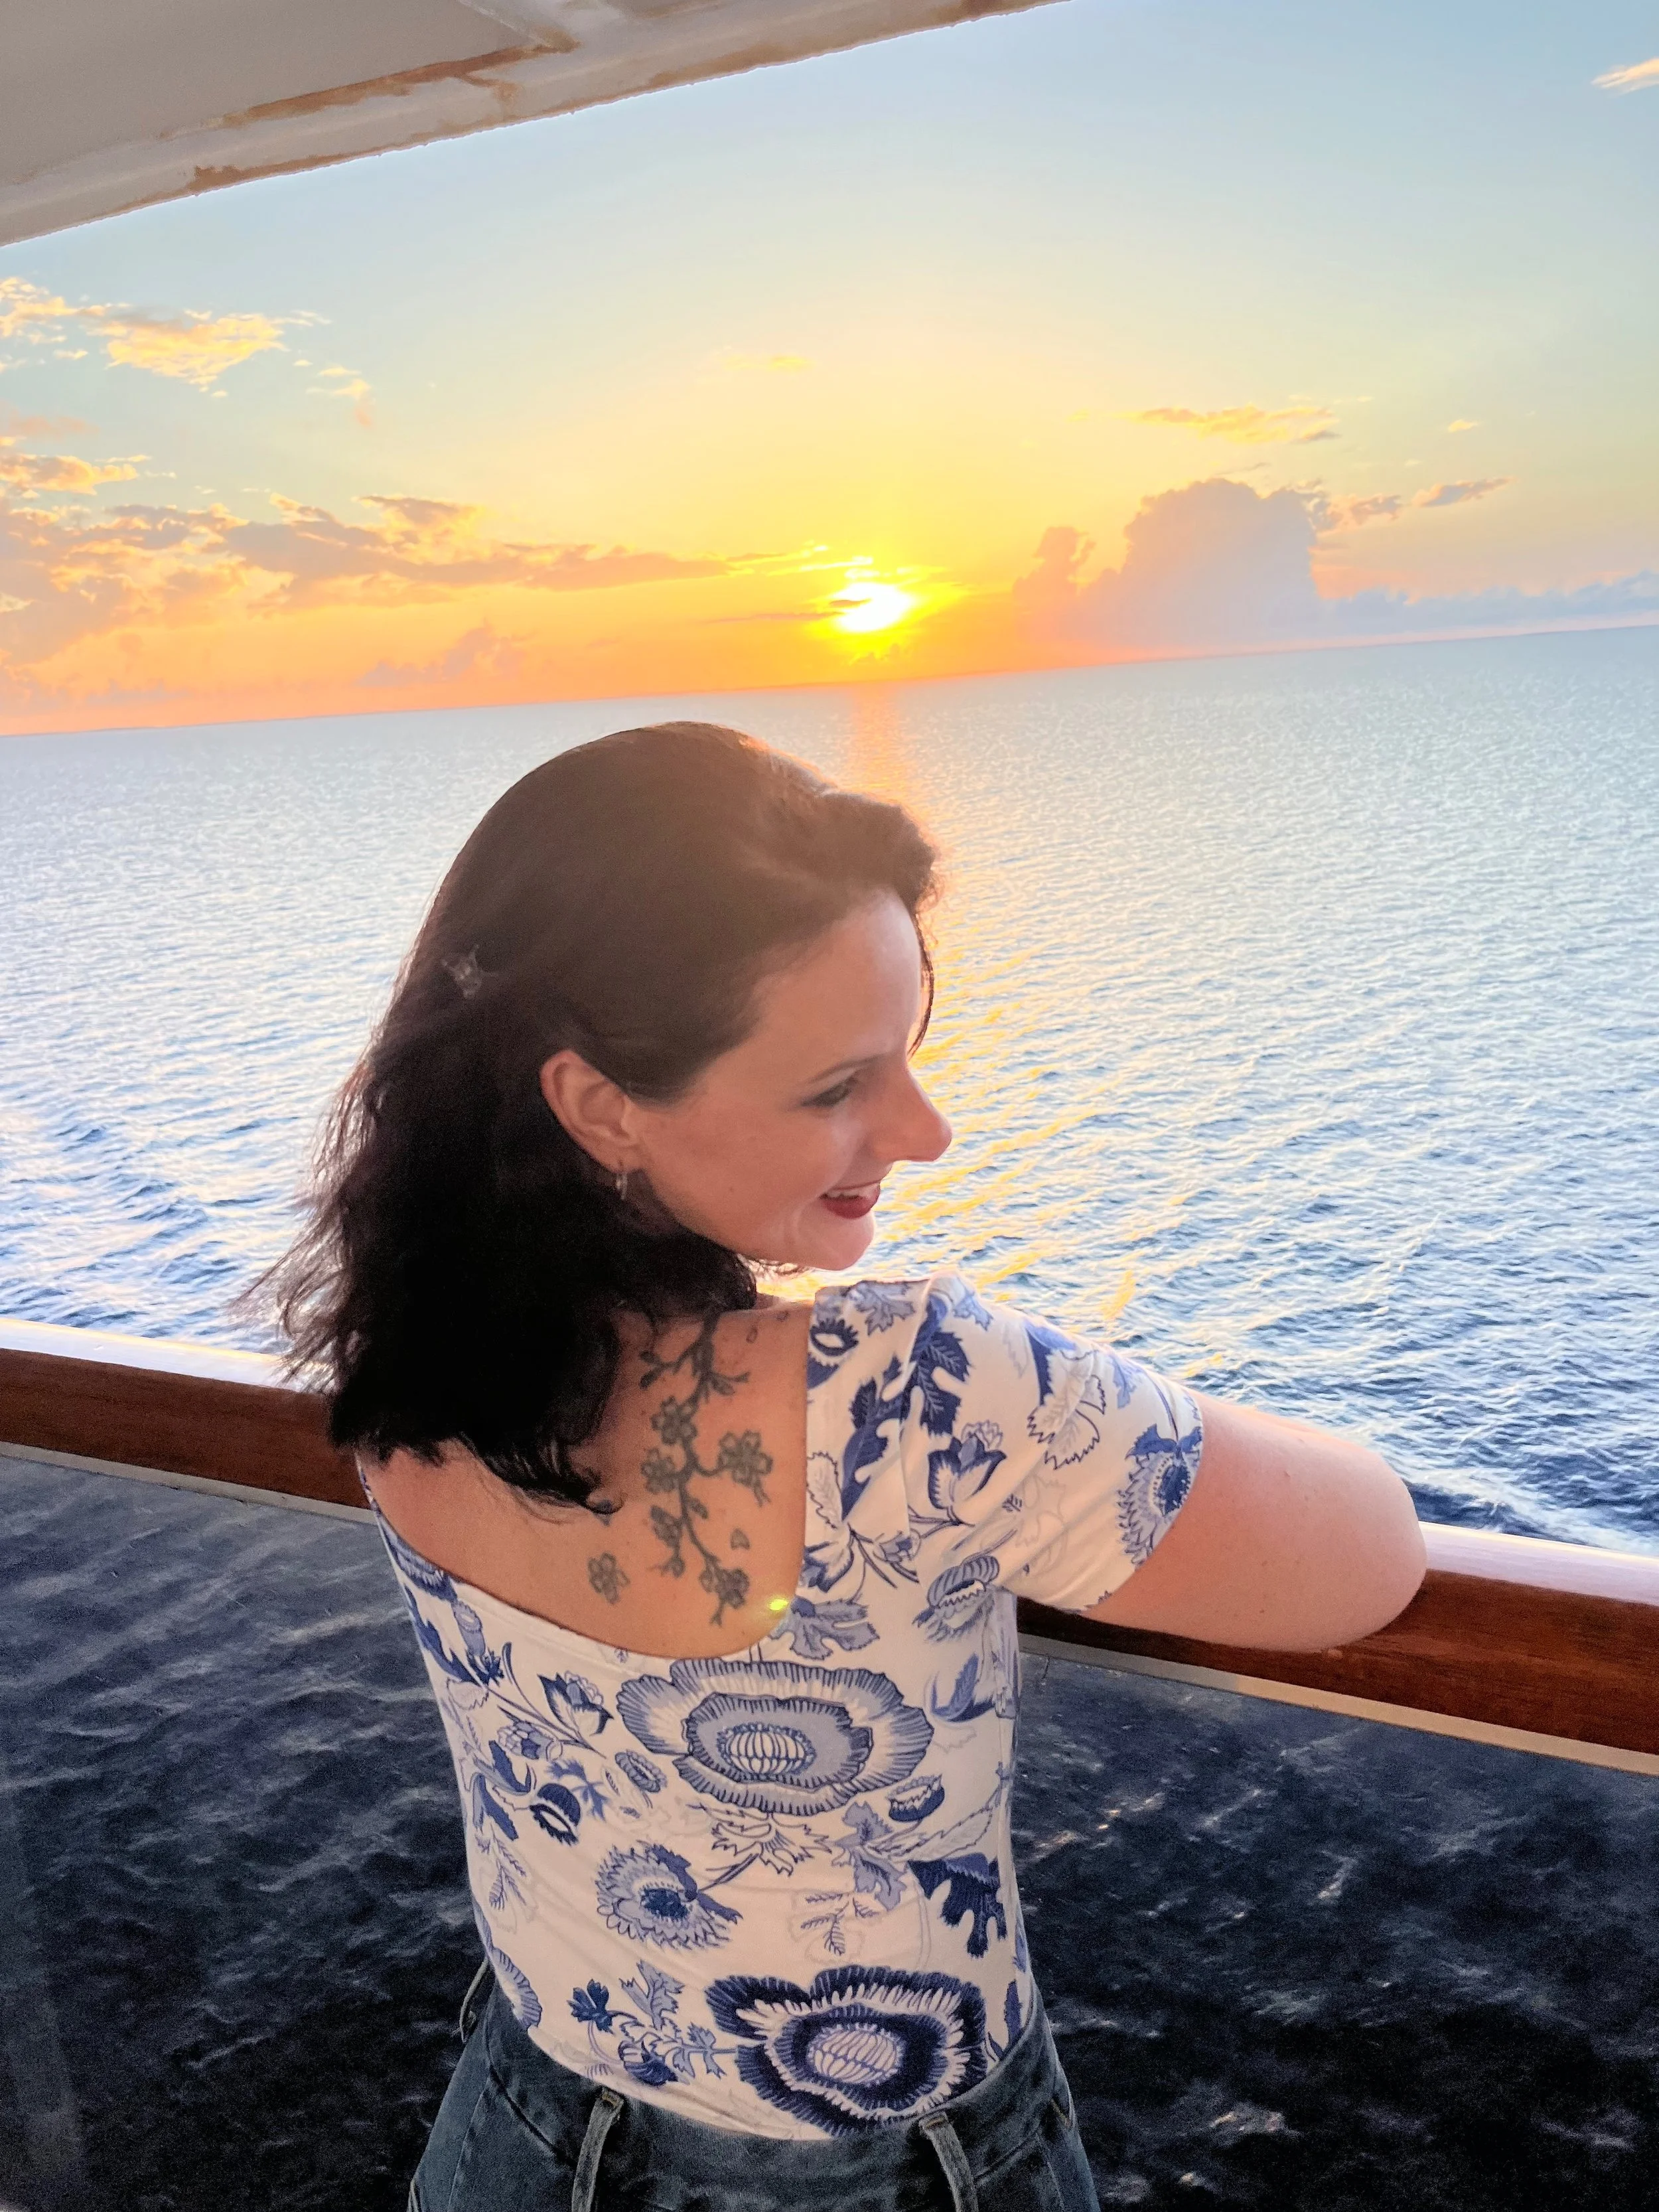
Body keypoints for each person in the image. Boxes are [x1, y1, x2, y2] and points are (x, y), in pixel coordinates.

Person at [275, 721, 1425, 2211]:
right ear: (600, 1104)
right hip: (878, 2169)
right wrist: (1075, 1397)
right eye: (838, 1084)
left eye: (910, 1053)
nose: (925, 1129)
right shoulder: (920, 1406)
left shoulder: (409, 1359)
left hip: (526, 2110)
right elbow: (1372, 1552)